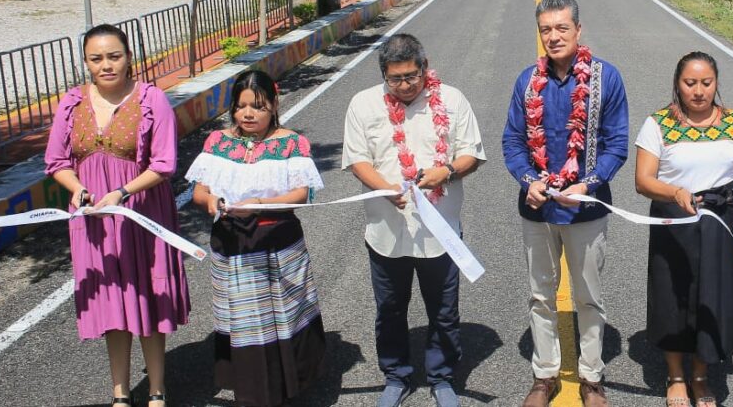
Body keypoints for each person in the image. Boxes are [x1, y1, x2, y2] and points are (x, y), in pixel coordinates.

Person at [45, 24, 190, 407]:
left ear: (129, 57)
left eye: (114, 56)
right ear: (86, 63)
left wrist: (123, 193)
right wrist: (78, 190)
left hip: (141, 212)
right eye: (96, 59)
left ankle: (157, 389)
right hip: (94, 219)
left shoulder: (151, 98)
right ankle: (120, 392)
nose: (106, 65)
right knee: (112, 301)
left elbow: (164, 163)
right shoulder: (71, 102)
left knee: (148, 296)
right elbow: (56, 161)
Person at [342, 34, 486, 407]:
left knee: (443, 308)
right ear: (383, 76)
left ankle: (441, 377)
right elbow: (358, 159)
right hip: (386, 230)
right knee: (390, 308)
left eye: (412, 76)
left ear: (425, 68)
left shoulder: (451, 100)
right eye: (396, 79)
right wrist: (384, 187)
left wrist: (447, 171)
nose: (405, 86)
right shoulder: (363, 104)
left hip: (441, 231)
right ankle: (396, 375)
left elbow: (472, 152)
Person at [502, 0, 629, 407]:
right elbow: (513, 141)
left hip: (585, 208)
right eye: (545, 30)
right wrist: (527, 180)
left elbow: (616, 145)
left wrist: (587, 185)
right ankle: (545, 374)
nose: (553, 37)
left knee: (588, 296)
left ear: (578, 30)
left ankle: (591, 376)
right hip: (537, 209)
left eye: (561, 28)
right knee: (541, 295)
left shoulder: (605, 79)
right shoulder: (526, 80)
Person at [186, 69, 327, 407]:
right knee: (246, 319)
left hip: (277, 241)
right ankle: (252, 392)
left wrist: (263, 204)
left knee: (282, 313)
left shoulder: (292, 142)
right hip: (232, 242)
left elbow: (302, 193)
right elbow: (199, 193)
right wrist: (213, 203)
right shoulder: (217, 142)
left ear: (274, 105)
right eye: (241, 106)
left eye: (258, 107)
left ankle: (286, 385)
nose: (248, 114)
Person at [634, 51, 733, 407]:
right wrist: (675, 192)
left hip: (719, 220)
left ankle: (701, 376)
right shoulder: (658, 123)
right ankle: (675, 376)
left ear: (716, 84)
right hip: (674, 220)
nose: (699, 91)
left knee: (712, 297)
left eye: (707, 83)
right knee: (673, 295)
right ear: (678, 84)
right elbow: (643, 180)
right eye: (690, 83)